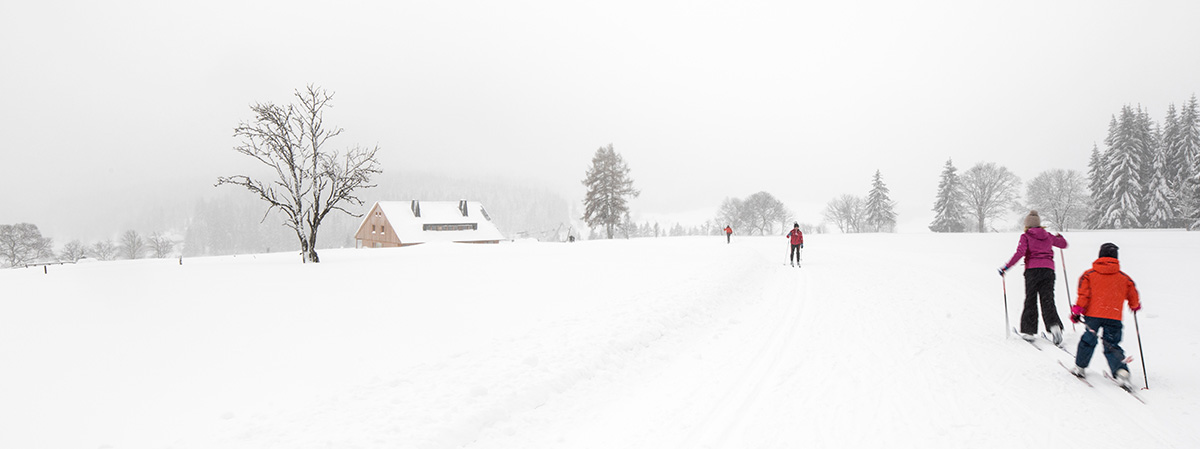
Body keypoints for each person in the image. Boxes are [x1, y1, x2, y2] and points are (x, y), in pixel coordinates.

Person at [1068, 243, 1141, 390]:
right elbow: (1133, 293)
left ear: (1100, 256)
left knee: (1088, 340)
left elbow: (1083, 295)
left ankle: (1080, 367)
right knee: (1112, 344)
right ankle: (1121, 372)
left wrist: (1076, 312)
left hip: (1093, 316)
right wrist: (1134, 305)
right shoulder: (1124, 278)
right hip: (1113, 316)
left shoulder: (1089, 275)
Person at [999, 211, 1068, 344]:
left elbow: (1020, 253)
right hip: (1048, 271)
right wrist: (1060, 237)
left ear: (1027, 225)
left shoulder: (1025, 236)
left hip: (1032, 271)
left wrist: (1006, 267)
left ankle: (1029, 331)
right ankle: (1054, 326)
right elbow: (1063, 244)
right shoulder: (1047, 236)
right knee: (1047, 299)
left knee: (1031, 299)